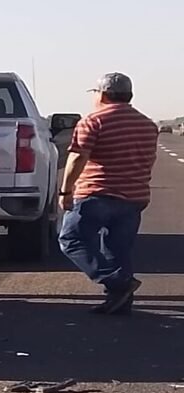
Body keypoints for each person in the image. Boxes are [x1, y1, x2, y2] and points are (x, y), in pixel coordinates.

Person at [58, 72, 158, 315]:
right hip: (134, 197)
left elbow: (78, 157)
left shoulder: (93, 121)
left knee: (71, 240)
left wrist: (66, 191)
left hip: (97, 193)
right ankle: (120, 302)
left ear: (102, 94)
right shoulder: (147, 124)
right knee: (117, 249)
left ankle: (117, 284)